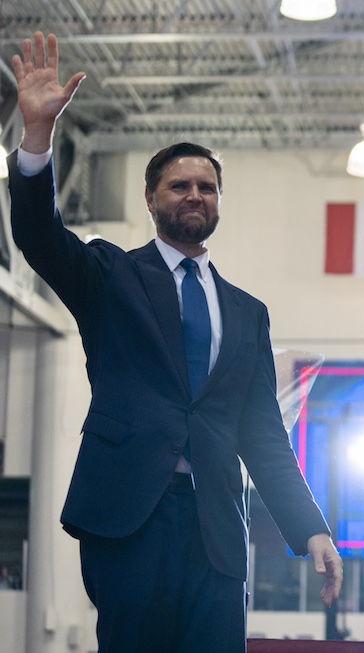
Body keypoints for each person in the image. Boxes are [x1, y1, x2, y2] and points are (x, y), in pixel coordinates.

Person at [9, 32, 342, 652]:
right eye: (180, 186)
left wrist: (310, 528)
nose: (194, 195)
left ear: (219, 202)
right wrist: (35, 138)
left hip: (216, 526)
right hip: (130, 517)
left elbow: (264, 435)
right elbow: (37, 235)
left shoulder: (248, 314)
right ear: (151, 199)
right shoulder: (110, 276)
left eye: (206, 187)